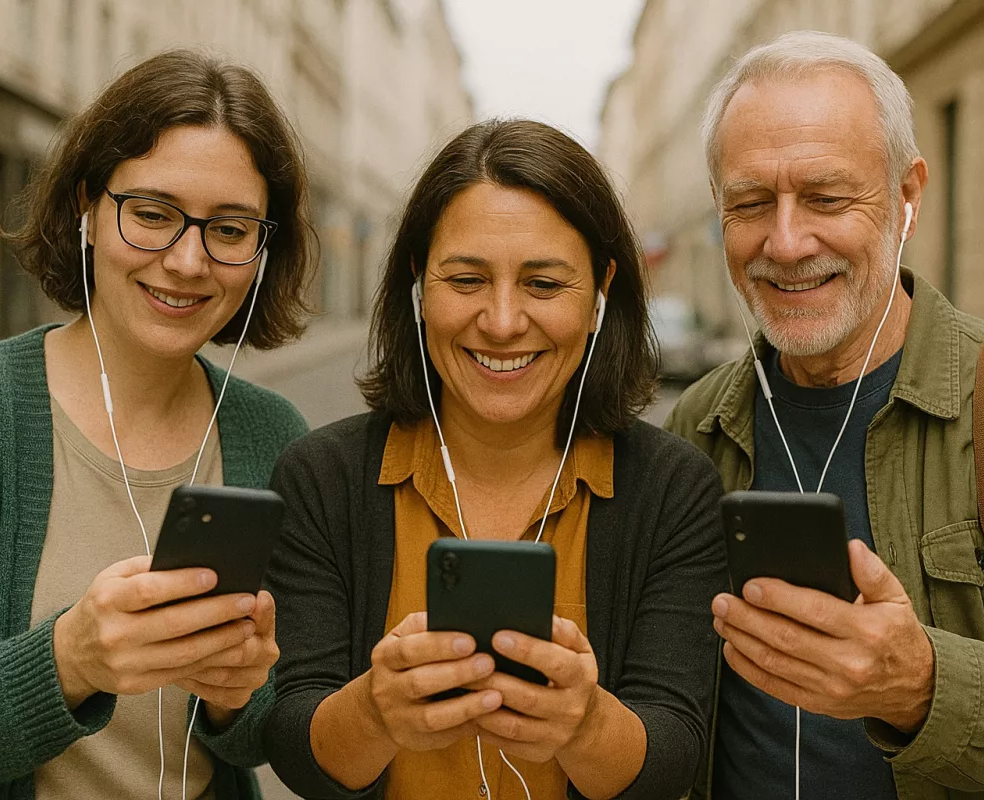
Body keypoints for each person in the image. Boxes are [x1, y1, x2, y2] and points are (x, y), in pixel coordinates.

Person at [664, 30, 984, 800]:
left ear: (908, 197)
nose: (788, 241)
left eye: (828, 197)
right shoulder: (696, 427)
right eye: (750, 203)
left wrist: (922, 684)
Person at [263, 118, 727, 800]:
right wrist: (375, 710)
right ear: (419, 282)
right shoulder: (321, 479)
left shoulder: (674, 490)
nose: (503, 321)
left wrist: (584, 720)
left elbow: (674, 755)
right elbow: (295, 747)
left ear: (601, 294)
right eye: (467, 279)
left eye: (543, 284)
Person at [0, 50, 317, 799]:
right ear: (88, 208)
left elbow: (264, 730)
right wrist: (72, 659)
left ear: (264, 248)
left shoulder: (273, 433)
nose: (188, 261)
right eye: (153, 215)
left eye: (229, 229)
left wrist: (234, 694)